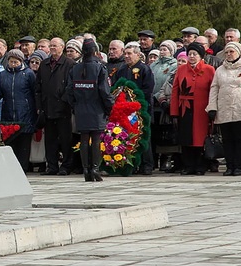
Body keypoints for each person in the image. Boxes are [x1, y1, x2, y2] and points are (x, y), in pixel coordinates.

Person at [206, 42, 241, 175]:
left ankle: (239, 166)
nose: (229, 54)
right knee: (227, 139)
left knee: (240, 139)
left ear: (239, 52)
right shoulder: (220, 69)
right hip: (223, 108)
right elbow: (214, 89)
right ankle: (230, 166)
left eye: (232, 52)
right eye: (227, 52)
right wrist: (212, 107)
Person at [65, 40, 114, 182]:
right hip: (96, 108)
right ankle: (95, 168)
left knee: (84, 138)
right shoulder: (100, 68)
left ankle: (86, 169)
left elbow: (69, 90)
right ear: (95, 51)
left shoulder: (75, 68)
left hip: (81, 108)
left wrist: (75, 105)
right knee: (96, 138)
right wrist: (109, 107)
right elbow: (104, 91)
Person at [170, 42, 215, 175]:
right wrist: (174, 111)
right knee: (186, 138)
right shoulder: (181, 69)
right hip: (185, 109)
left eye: (195, 54)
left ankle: (200, 166)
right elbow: (175, 91)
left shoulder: (209, 69)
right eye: (190, 54)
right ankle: (188, 165)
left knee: (200, 138)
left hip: (202, 110)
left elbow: (213, 90)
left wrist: (213, 109)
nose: (192, 56)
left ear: (201, 56)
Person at [112, 42, 155, 174]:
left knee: (143, 136)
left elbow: (148, 89)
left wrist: (136, 100)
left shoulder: (144, 69)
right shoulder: (122, 70)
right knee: (128, 137)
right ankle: (132, 164)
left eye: (129, 53)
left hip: (141, 109)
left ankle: (147, 165)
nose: (126, 56)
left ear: (137, 54)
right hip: (125, 111)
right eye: (125, 53)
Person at [35, 40, 74, 175]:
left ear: (62, 48)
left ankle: (66, 166)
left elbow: (71, 86)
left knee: (65, 139)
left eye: (54, 46)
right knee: (50, 139)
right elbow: (38, 87)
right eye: (50, 45)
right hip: (47, 107)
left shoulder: (69, 64)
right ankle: (52, 166)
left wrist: (64, 101)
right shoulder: (44, 64)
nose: (52, 48)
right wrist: (39, 106)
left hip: (63, 108)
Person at [0, 49, 37, 168]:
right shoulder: (3, 75)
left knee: (24, 144)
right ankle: (12, 167)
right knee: (11, 142)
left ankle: (23, 167)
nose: (13, 64)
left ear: (21, 62)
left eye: (16, 62)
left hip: (25, 113)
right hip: (8, 112)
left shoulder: (28, 74)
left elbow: (34, 92)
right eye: (11, 61)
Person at [152, 40, 179, 171]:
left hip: (165, 103)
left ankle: (166, 159)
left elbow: (168, 84)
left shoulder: (174, 65)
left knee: (167, 132)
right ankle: (154, 159)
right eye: (161, 49)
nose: (162, 52)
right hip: (153, 103)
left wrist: (160, 97)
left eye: (165, 49)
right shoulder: (154, 65)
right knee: (156, 131)